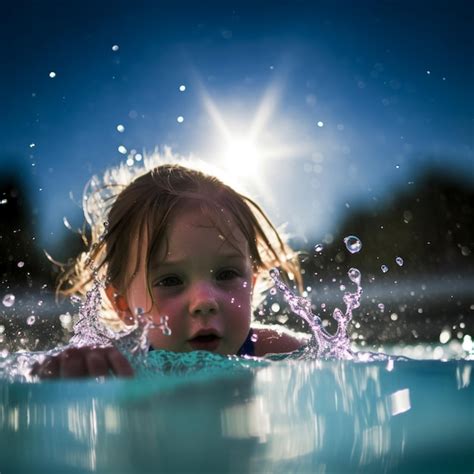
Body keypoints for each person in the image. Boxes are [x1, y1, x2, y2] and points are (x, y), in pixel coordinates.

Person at [33, 158, 308, 378]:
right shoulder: (119, 363)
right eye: (171, 280)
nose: (205, 302)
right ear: (123, 304)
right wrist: (68, 367)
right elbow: (39, 373)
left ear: (254, 282)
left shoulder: (273, 350)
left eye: (227, 274)